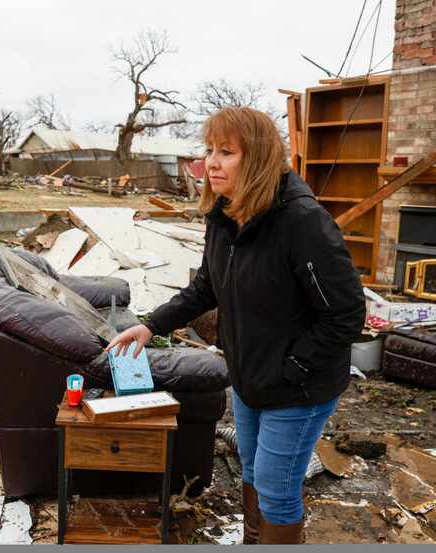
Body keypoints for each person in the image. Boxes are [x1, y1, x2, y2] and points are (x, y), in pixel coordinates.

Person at [106, 106, 366, 544]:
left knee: (277, 490)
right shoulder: (224, 216)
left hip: (296, 388)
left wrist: (294, 368)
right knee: (251, 470)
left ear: (258, 157)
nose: (211, 162)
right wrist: (151, 326)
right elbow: (207, 287)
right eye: (209, 150)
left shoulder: (302, 222)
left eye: (226, 152)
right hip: (248, 379)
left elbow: (345, 314)